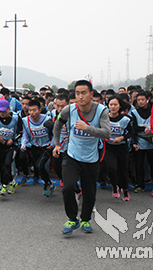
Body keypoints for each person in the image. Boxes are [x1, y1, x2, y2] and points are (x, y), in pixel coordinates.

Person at [53, 80, 110, 235]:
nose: (80, 96)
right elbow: (57, 124)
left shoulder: (101, 111)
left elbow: (107, 133)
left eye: (84, 93)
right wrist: (57, 144)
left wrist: (88, 128)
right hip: (72, 156)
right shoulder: (69, 109)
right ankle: (72, 218)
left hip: (91, 159)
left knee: (89, 191)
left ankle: (85, 219)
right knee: (68, 187)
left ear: (91, 94)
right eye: (77, 93)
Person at [0, 99, 23, 196]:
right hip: (0, 144)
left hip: (11, 145)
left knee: (7, 163)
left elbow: (21, 132)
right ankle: (10, 182)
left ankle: (5, 185)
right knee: (1, 165)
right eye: (0, 111)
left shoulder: (15, 117)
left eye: (4, 111)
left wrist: (13, 140)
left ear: (9, 109)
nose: (1, 113)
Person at [21, 99, 55, 196]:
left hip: (46, 146)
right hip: (34, 147)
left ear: (40, 110)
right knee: (38, 166)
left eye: (34, 110)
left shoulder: (47, 119)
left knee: (39, 165)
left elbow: (54, 133)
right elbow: (25, 135)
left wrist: (52, 143)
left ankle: (47, 183)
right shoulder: (25, 120)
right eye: (30, 110)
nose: (32, 113)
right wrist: (23, 144)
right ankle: (49, 183)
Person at [104, 96, 135, 201]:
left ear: (119, 106)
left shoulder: (125, 119)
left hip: (121, 147)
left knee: (123, 170)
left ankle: (125, 189)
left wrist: (121, 137)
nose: (113, 107)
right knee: (111, 168)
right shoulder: (104, 118)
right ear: (108, 105)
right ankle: (114, 186)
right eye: (111, 104)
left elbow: (131, 133)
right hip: (109, 147)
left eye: (115, 105)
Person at [131, 91, 153, 192]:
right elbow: (133, 128)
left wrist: (152, 130)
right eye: (138, 100)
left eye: (142, 99)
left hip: (152, 142)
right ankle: (139, 184)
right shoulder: (134, 113)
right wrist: (142, 130)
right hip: (140, 142)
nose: (141, 102)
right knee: (139, 165)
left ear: (148, 99)